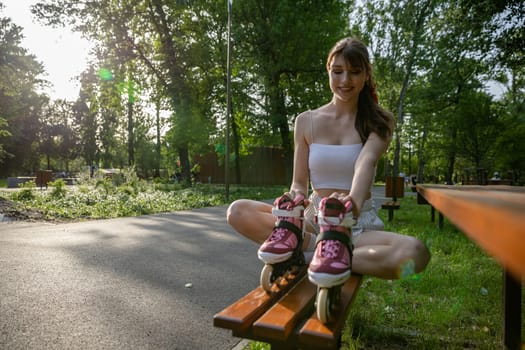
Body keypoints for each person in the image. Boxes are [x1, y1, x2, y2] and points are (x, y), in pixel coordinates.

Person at [227, 37, 430, 284]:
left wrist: (351, 205)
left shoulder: (379, 121)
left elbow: (364, 162)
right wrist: (295, 200)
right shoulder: (305, 121)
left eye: (355, 72)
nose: (345, 81)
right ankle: (318, 248)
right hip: (313, 221)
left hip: (356, 225)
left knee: (417, 255)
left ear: (366, 75)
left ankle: (322, 257)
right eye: (338, 71)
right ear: (329, 71)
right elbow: (299, 183)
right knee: (237, 211)